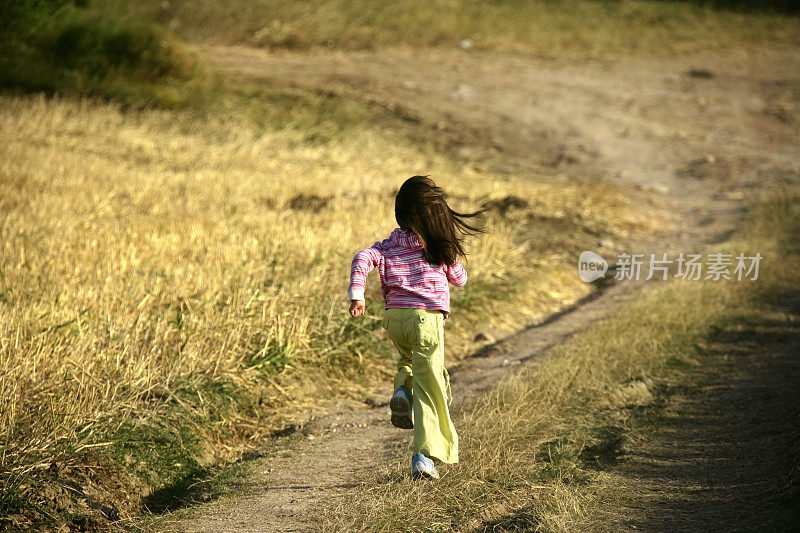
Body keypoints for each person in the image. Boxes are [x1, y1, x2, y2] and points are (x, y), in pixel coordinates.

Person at [347, 175, 484, 479]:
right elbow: (460, 279)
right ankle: (423, 455)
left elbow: (362, 258)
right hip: (426, 321)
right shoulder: (435, 248)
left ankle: (401, 390)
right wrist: (451, 256)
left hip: (396, 320)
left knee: (408, 362)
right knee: (430, 387)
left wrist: (357, 295)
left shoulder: (388, 245)